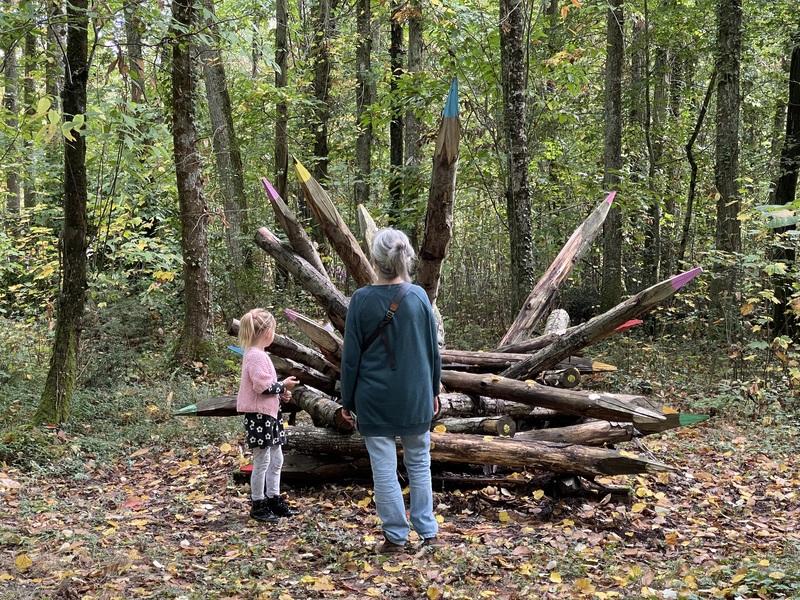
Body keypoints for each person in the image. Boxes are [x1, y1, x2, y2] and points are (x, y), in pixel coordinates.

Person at [340, 228, 442, 553]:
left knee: (383, 468)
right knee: (419, 462)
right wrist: (435, 389)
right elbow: (432, 350)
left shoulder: (361, 300)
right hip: (415, 396)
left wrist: (347, 399)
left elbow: (351, 356)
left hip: (374, 399)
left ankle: (395, 538)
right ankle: (427, 532)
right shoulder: (418, 297)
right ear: (404, 257)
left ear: (376, 259)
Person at [236, 308, 300, 522]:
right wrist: (282, 385)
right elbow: (261, 386)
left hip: (270, 415)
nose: (274, 334)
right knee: (262, 460)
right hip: (259, 417)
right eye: (273, 329)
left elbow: (267, 388)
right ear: (265, 332)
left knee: (277, 458)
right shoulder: (255, 356)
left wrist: (282, 393)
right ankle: (258, 504)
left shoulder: (260, 354)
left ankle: (274, 498)